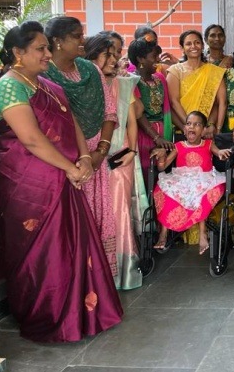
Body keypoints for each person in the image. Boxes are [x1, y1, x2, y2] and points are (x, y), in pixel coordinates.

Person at [0, 22, 123, 342]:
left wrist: (85, 158)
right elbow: (31, 138)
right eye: (40, 48)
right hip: (30, 187)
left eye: (46, 47)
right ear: (18, 53)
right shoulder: (9, 86)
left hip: (64, 177)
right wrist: (71, 167)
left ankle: (81, 315)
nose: (47, 53)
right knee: (44, 252)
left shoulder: (46, 84)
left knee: (71, 246)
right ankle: (49, 317)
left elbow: (72, 123)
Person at [44, 17, 119, 277]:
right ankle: (75, 279)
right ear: (57, 41)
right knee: (72, 220)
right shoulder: (44, 75)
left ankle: (98, 279)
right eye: (77, 36)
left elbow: (110, 113)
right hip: (66, 160)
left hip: (96, 155)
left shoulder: (91, 70)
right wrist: (85, 157)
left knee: (99, 215)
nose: (83, 40)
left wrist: (100, 152)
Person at [87, 33, 145, 290]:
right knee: (95, 214)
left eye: (116, 54)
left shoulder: (123, 84)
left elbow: (132, 120)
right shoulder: (84, 84)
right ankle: (96, 272)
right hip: (91, 159)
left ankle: (122, 273)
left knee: (119, 212)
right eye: (108, 55)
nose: (114, 59)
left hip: (120, 157)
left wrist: (132, 151)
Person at [152, 110, 232, 254]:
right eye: (189, 124)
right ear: (184, 129)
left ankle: (202, 233)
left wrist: (221, 153)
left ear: (204, 130)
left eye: (197, 125)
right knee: (164, 191)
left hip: (203, 178)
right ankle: (163, 233)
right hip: (181, 180)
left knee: (201, 193)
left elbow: (217, 152)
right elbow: (162, 167)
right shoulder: (179, 146)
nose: (192, 127)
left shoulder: (208, 144)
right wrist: (162, 156)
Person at [166, 29, 227, 141]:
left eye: (197, 42)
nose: (193, 46)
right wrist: (191, 127)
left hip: (207, 132)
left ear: (203, 45)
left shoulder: (214, 71)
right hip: (182, 130)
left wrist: (215, 127)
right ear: (182, 48)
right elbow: (173, 102)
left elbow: (219, 103)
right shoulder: (175, 71)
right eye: (188, 44)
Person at [130, 39, 174, 178]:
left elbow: (167, 108)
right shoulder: (132, 81)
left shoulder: (160, 78)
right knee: (145, 172)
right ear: (140, 59)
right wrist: (156, 137)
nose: (158, 60)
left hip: (164, 132)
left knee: (162, 173)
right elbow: (138, 114)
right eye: (154, 56)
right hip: (142, 134)